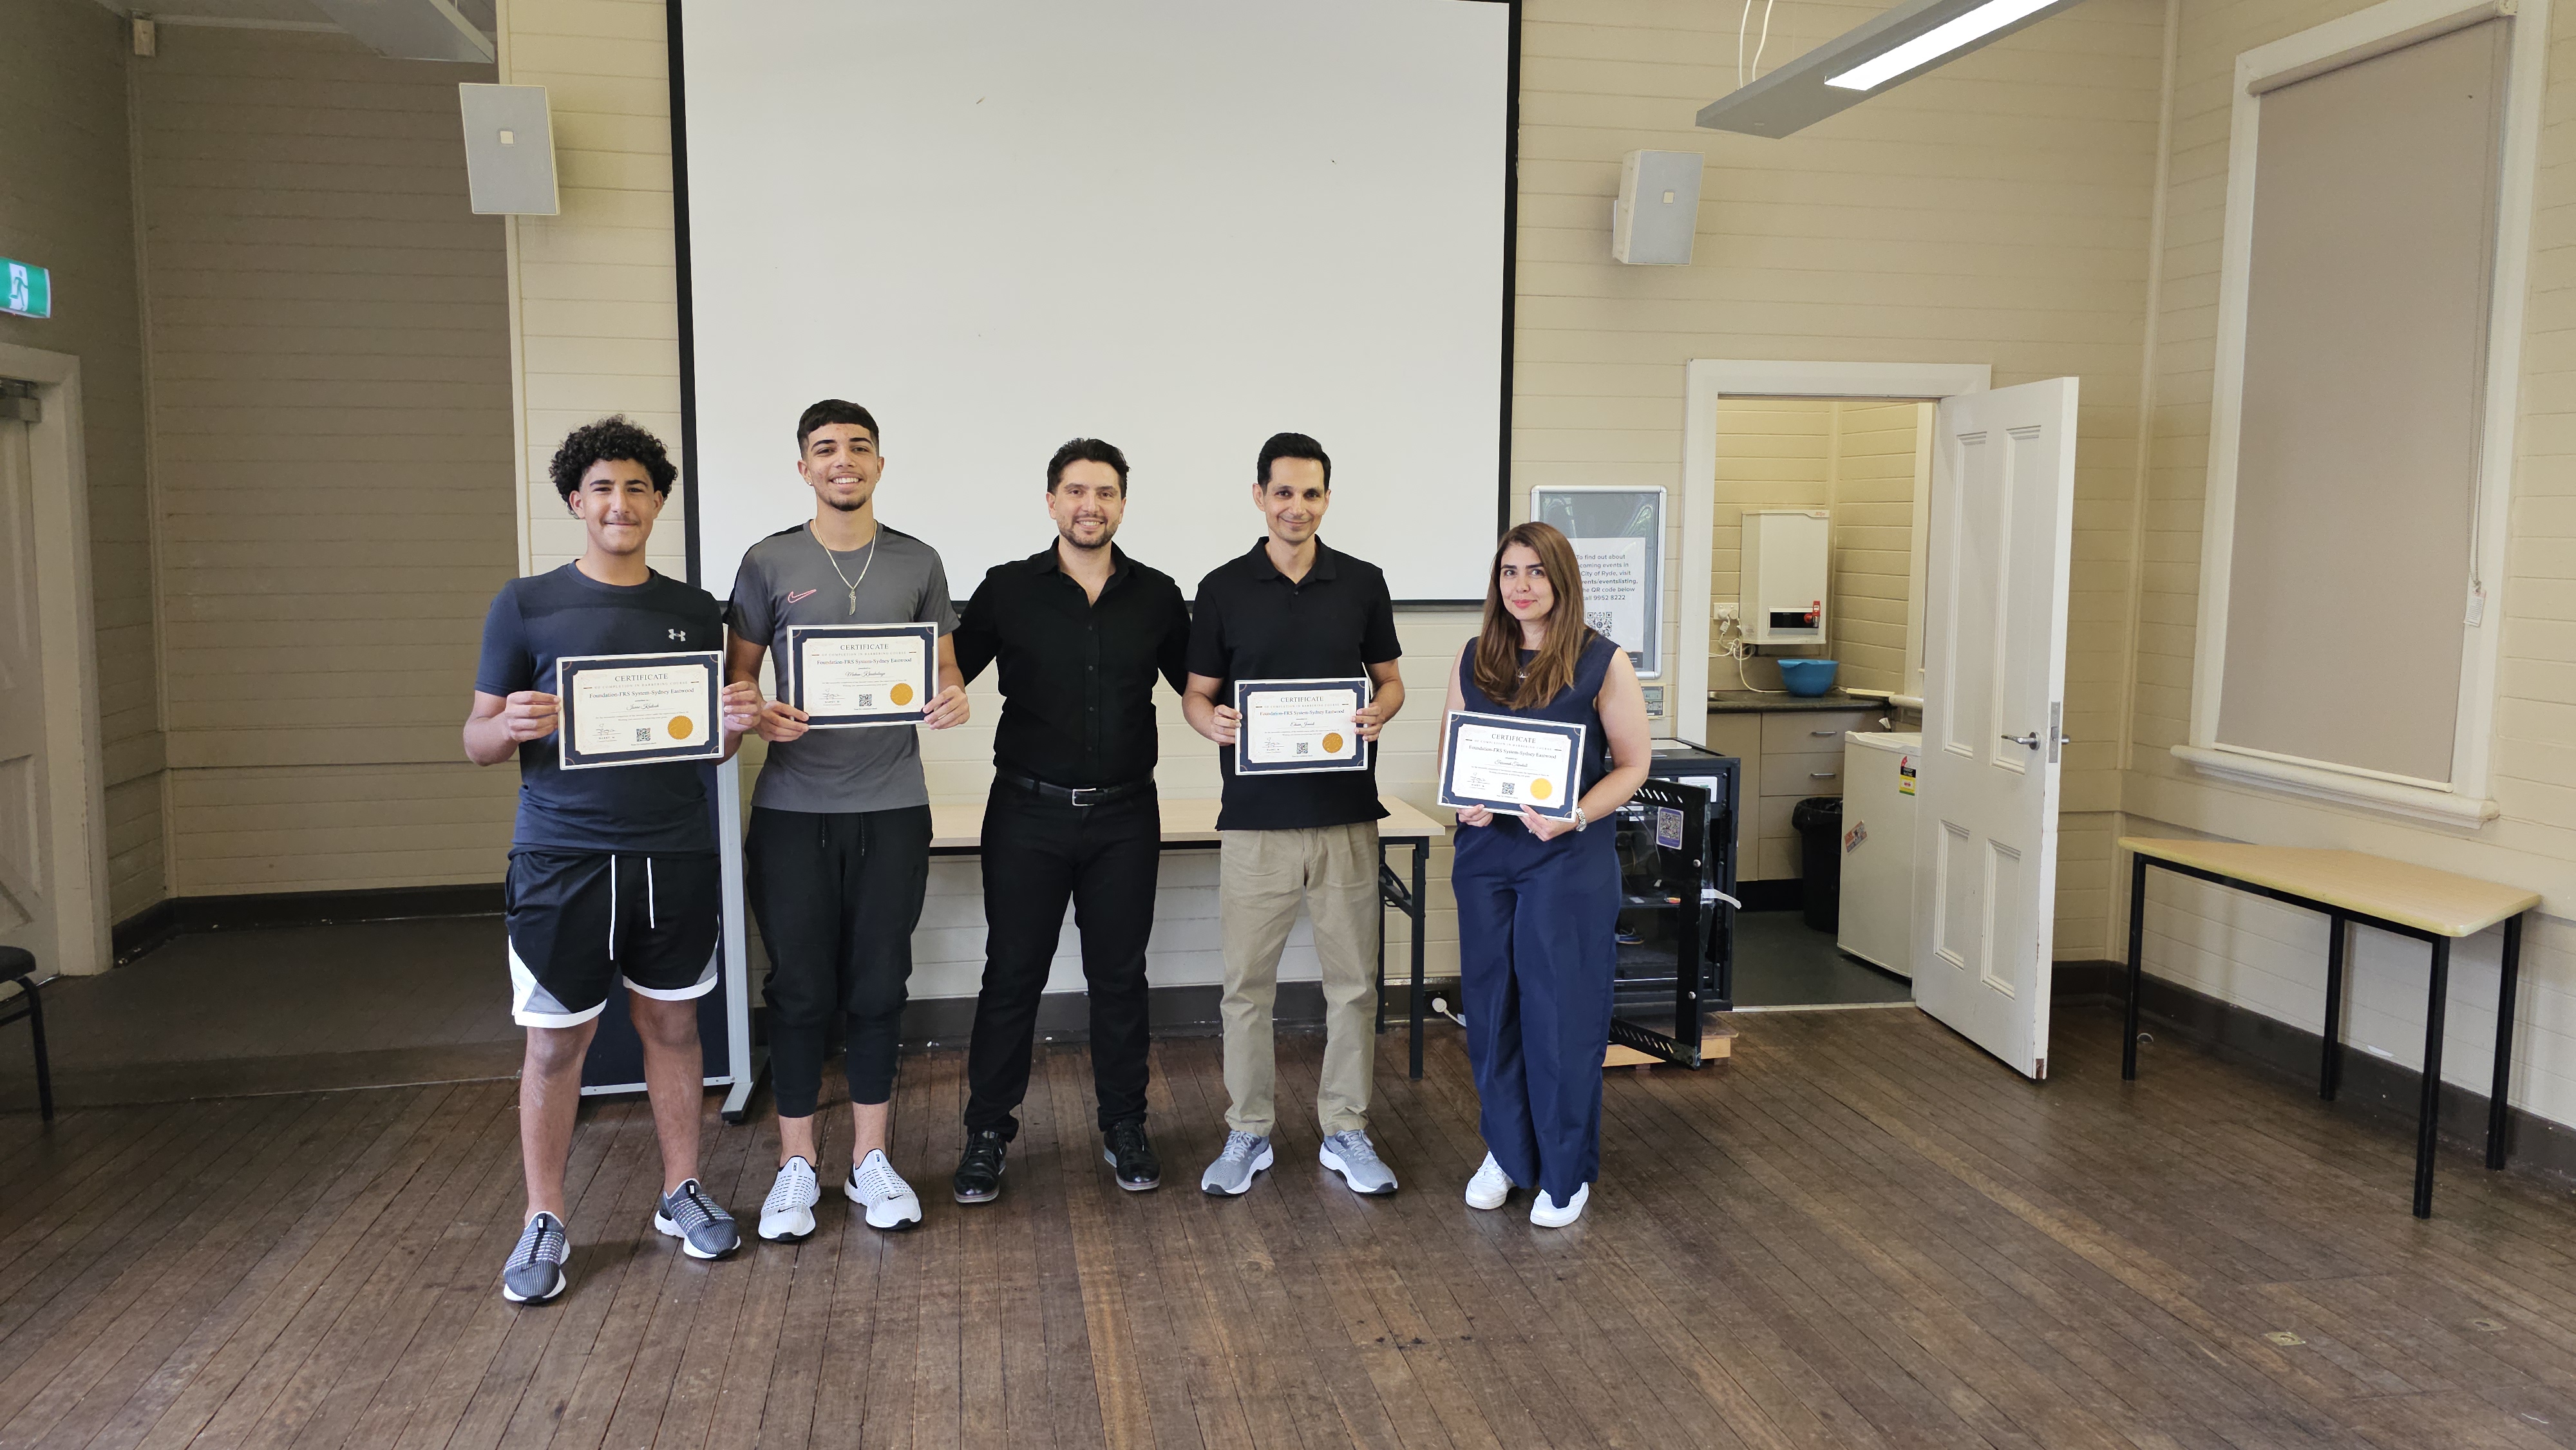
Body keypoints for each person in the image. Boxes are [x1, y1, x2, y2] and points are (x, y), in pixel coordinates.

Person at [466, 415, 765, 1304]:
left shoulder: (691, 610)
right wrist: (508, 725)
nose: (620, 503)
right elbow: (477, 739)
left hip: (673, 853)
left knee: (673, 1028)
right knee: (556, 1044)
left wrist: (733, 730)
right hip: (562, 856)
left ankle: (679, 1193)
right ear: (575, 501)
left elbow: (703, 748)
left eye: (637, 487)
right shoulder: (523, 604)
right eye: (602, 487)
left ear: (659, 502)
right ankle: (544, 1218)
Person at [725, 399, 970, 1240]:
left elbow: (943, 669)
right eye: (825, 449)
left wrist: (952, 699)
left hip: (894, 808)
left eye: (858, 448)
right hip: (794, 812)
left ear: (878, 464)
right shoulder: (767, 561)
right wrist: (758, 716)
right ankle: (797, 1167)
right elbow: (738, 683)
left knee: (877, 988)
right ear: (804, 468)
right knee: (797, 992)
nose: (843, 462)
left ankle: (870, 1161)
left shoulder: (918, 562)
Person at [947, 438, 1191, 1202]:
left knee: (1119, 976)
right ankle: (987, 1131)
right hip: (1026, 811)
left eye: (1107, 492)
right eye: (1077, 491)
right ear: (1051, 501)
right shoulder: (1007, 589)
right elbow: (949, 662)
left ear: (1123, 502)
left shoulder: (1156, 594)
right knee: (1011, 974)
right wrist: (944, 691)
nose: (1092, 505)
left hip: (1125, 815)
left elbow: (1202, 686)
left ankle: (1124, 1124)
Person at [1181, 432, 1405, 1197]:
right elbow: (1196, 693)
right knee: (1247, 986)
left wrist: (1378, 711)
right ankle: (1248, 1131)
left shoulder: (1362, 581)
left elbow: (1391, 683)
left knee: (1354, 984)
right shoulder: (1220, 587)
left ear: (1326, 500)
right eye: (1283, 492)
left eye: (1311, 494)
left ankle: (1345, 1128)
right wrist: (1206, 720)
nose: (1297, 507)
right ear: (1259, 496)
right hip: (1254, 820)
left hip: (1345, 815)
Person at [1442, 522, 1651, 1229]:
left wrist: (1576, 815)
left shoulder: (1601, 661)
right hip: (1485, 860)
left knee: (1559, 1014)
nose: (1521, 585)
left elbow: (1632, 765)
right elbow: (1456, 749)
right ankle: (1506, 1151)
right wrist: (1463, 797)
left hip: (1565, 861)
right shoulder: (1475, 657)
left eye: (1535, 571)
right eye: (1508, 572)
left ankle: (1564, 1172)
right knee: (1493, 1009)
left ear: (1560, 579)